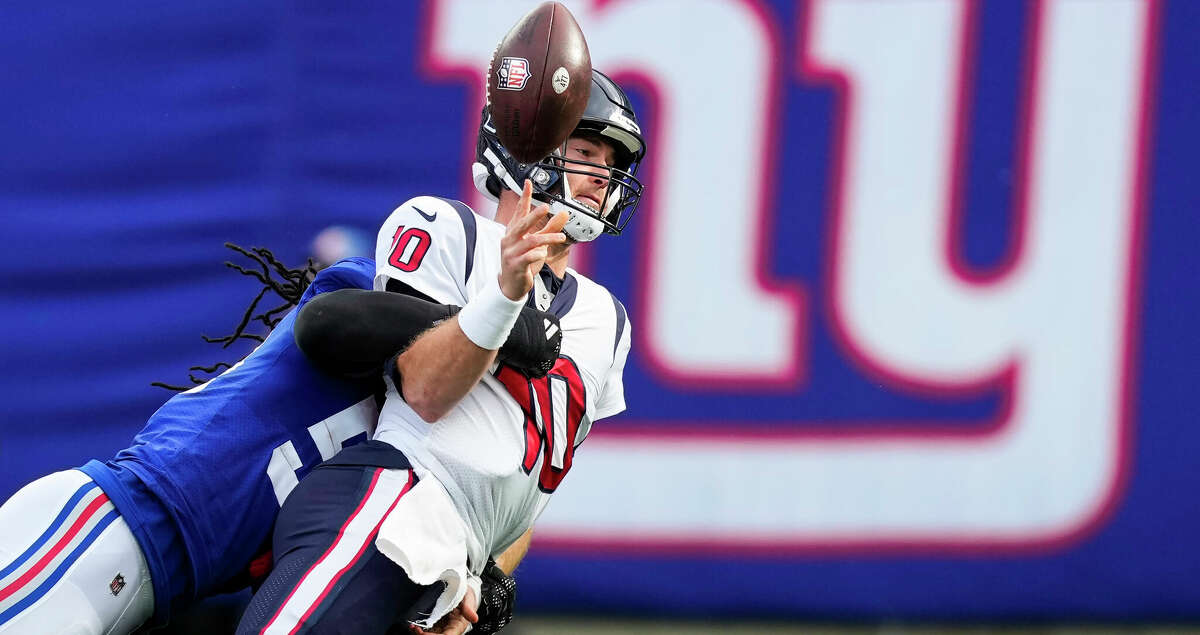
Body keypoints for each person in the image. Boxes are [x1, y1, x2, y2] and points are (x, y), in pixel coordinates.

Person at [236, 69, 644, 635]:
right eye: (583, 150)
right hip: (391, 506)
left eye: (609, 161)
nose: (601, 175)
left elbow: (531, 481)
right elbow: (423, 391)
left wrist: (483, 575)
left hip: (452, 565)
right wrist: (504, 299)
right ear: (525, 148)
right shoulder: (447, 227)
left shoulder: (609, 321)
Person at [0, 245, 560, 633]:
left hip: (161, 593)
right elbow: (327, 327)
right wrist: (488, 317)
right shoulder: (378, 298)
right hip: (106, 529)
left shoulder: (423, 461)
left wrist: (483, 584)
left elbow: (503, 506)